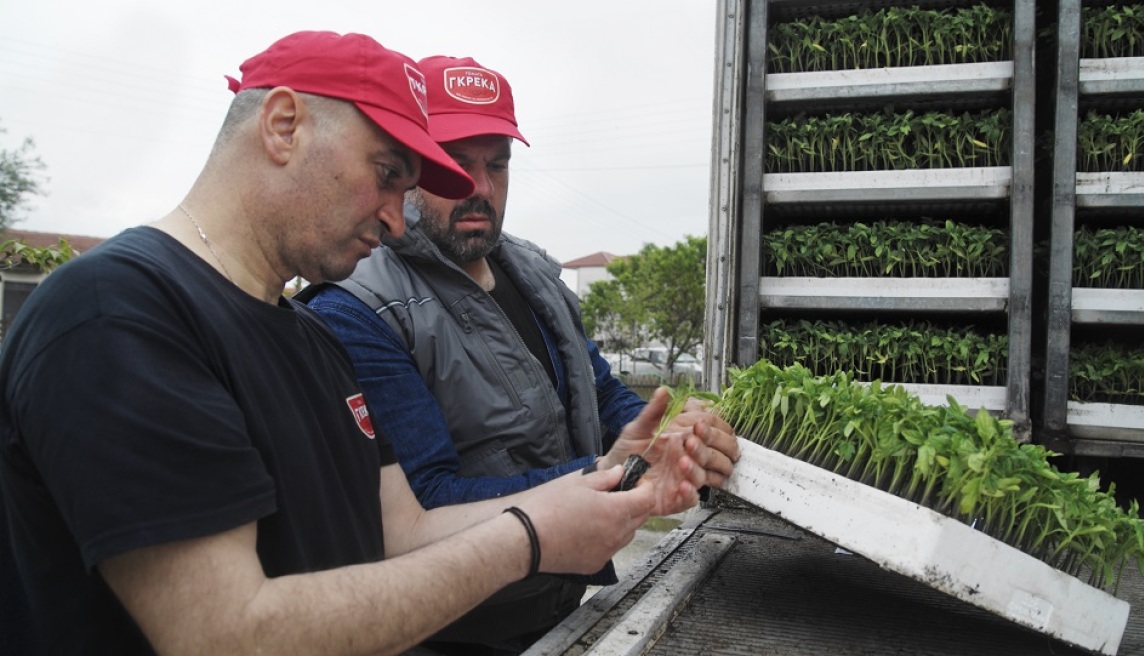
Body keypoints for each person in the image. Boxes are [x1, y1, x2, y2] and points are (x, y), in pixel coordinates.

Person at [0, 32, 732, 656]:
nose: (394, 218)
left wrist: (605, 479)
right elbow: (223, 632)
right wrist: (531, 537)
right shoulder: (118, 312)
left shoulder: (310, 337)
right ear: (283, 125)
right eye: (387, 175)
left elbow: (405, 528)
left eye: (410, 185)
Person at [300, 55, 739, 654]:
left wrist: (678, 434)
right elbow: (423, 501)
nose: (480, 188)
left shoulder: (532, 272)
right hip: (447, 631)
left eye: (498, 165)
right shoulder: (360, 307)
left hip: (560, 604)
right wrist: (607, 475)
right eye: (455, 164)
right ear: (407, 165)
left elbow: (603, 394)